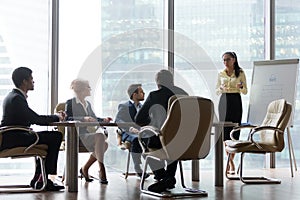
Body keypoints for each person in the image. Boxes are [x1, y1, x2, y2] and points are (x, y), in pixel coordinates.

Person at [0, 67, 65, 191]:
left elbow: (31, 118)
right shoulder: (17, 99)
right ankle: (44, 179)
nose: (33, 82)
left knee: (49, 137)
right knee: (55, 136)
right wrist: (57, 117)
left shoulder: (13, 96)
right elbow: (36, 119)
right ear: (24, 81)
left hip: (12, 136)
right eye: (31, 79)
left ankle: (39, 178)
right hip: (15, 138)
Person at [135, 69, 188, 193]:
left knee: (145, 147)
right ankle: (168, 178)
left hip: (162, 139)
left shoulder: (155, 95)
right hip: (185, 140)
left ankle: (164, 177)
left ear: (157, 83)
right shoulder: (184, 94)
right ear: (172, 81)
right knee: (173, 145)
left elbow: (139, 119)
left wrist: (152, 120)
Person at [65, 78, 112, 184]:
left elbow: (93, 118)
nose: (90, 89)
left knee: (104, 144)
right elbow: (67, 119)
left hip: (86, 135)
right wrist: (83, 119)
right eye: (88, 87)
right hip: (76, 135)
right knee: (101, 138)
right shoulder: (70, 103)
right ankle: (102, 169)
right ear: (82, 89)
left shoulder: (87, 104)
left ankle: (85, 168)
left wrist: (103, 120)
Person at [216, 51, 248, 174]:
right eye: (223, 60)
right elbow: (217, 91)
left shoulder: (240, 73)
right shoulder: (221, 74)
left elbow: (245, 91)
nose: (225, 62)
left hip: (236, 101)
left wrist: (240, 87)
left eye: (228, 59)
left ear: (234, 59)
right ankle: (230, 162)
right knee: (225, 132)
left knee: (235, 130)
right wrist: (221, 88)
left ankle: (230, 160)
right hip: (223, 101)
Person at [114, 84, 150, 179]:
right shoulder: (124, 106)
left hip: (141, 132)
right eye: (141, 92)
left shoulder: (143, 107)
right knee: (135, 139)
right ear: (134, 94)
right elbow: (118, 120)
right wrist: (130, 128)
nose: (144, 93)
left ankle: (157, 169)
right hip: (128, 133)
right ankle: (138, 168)